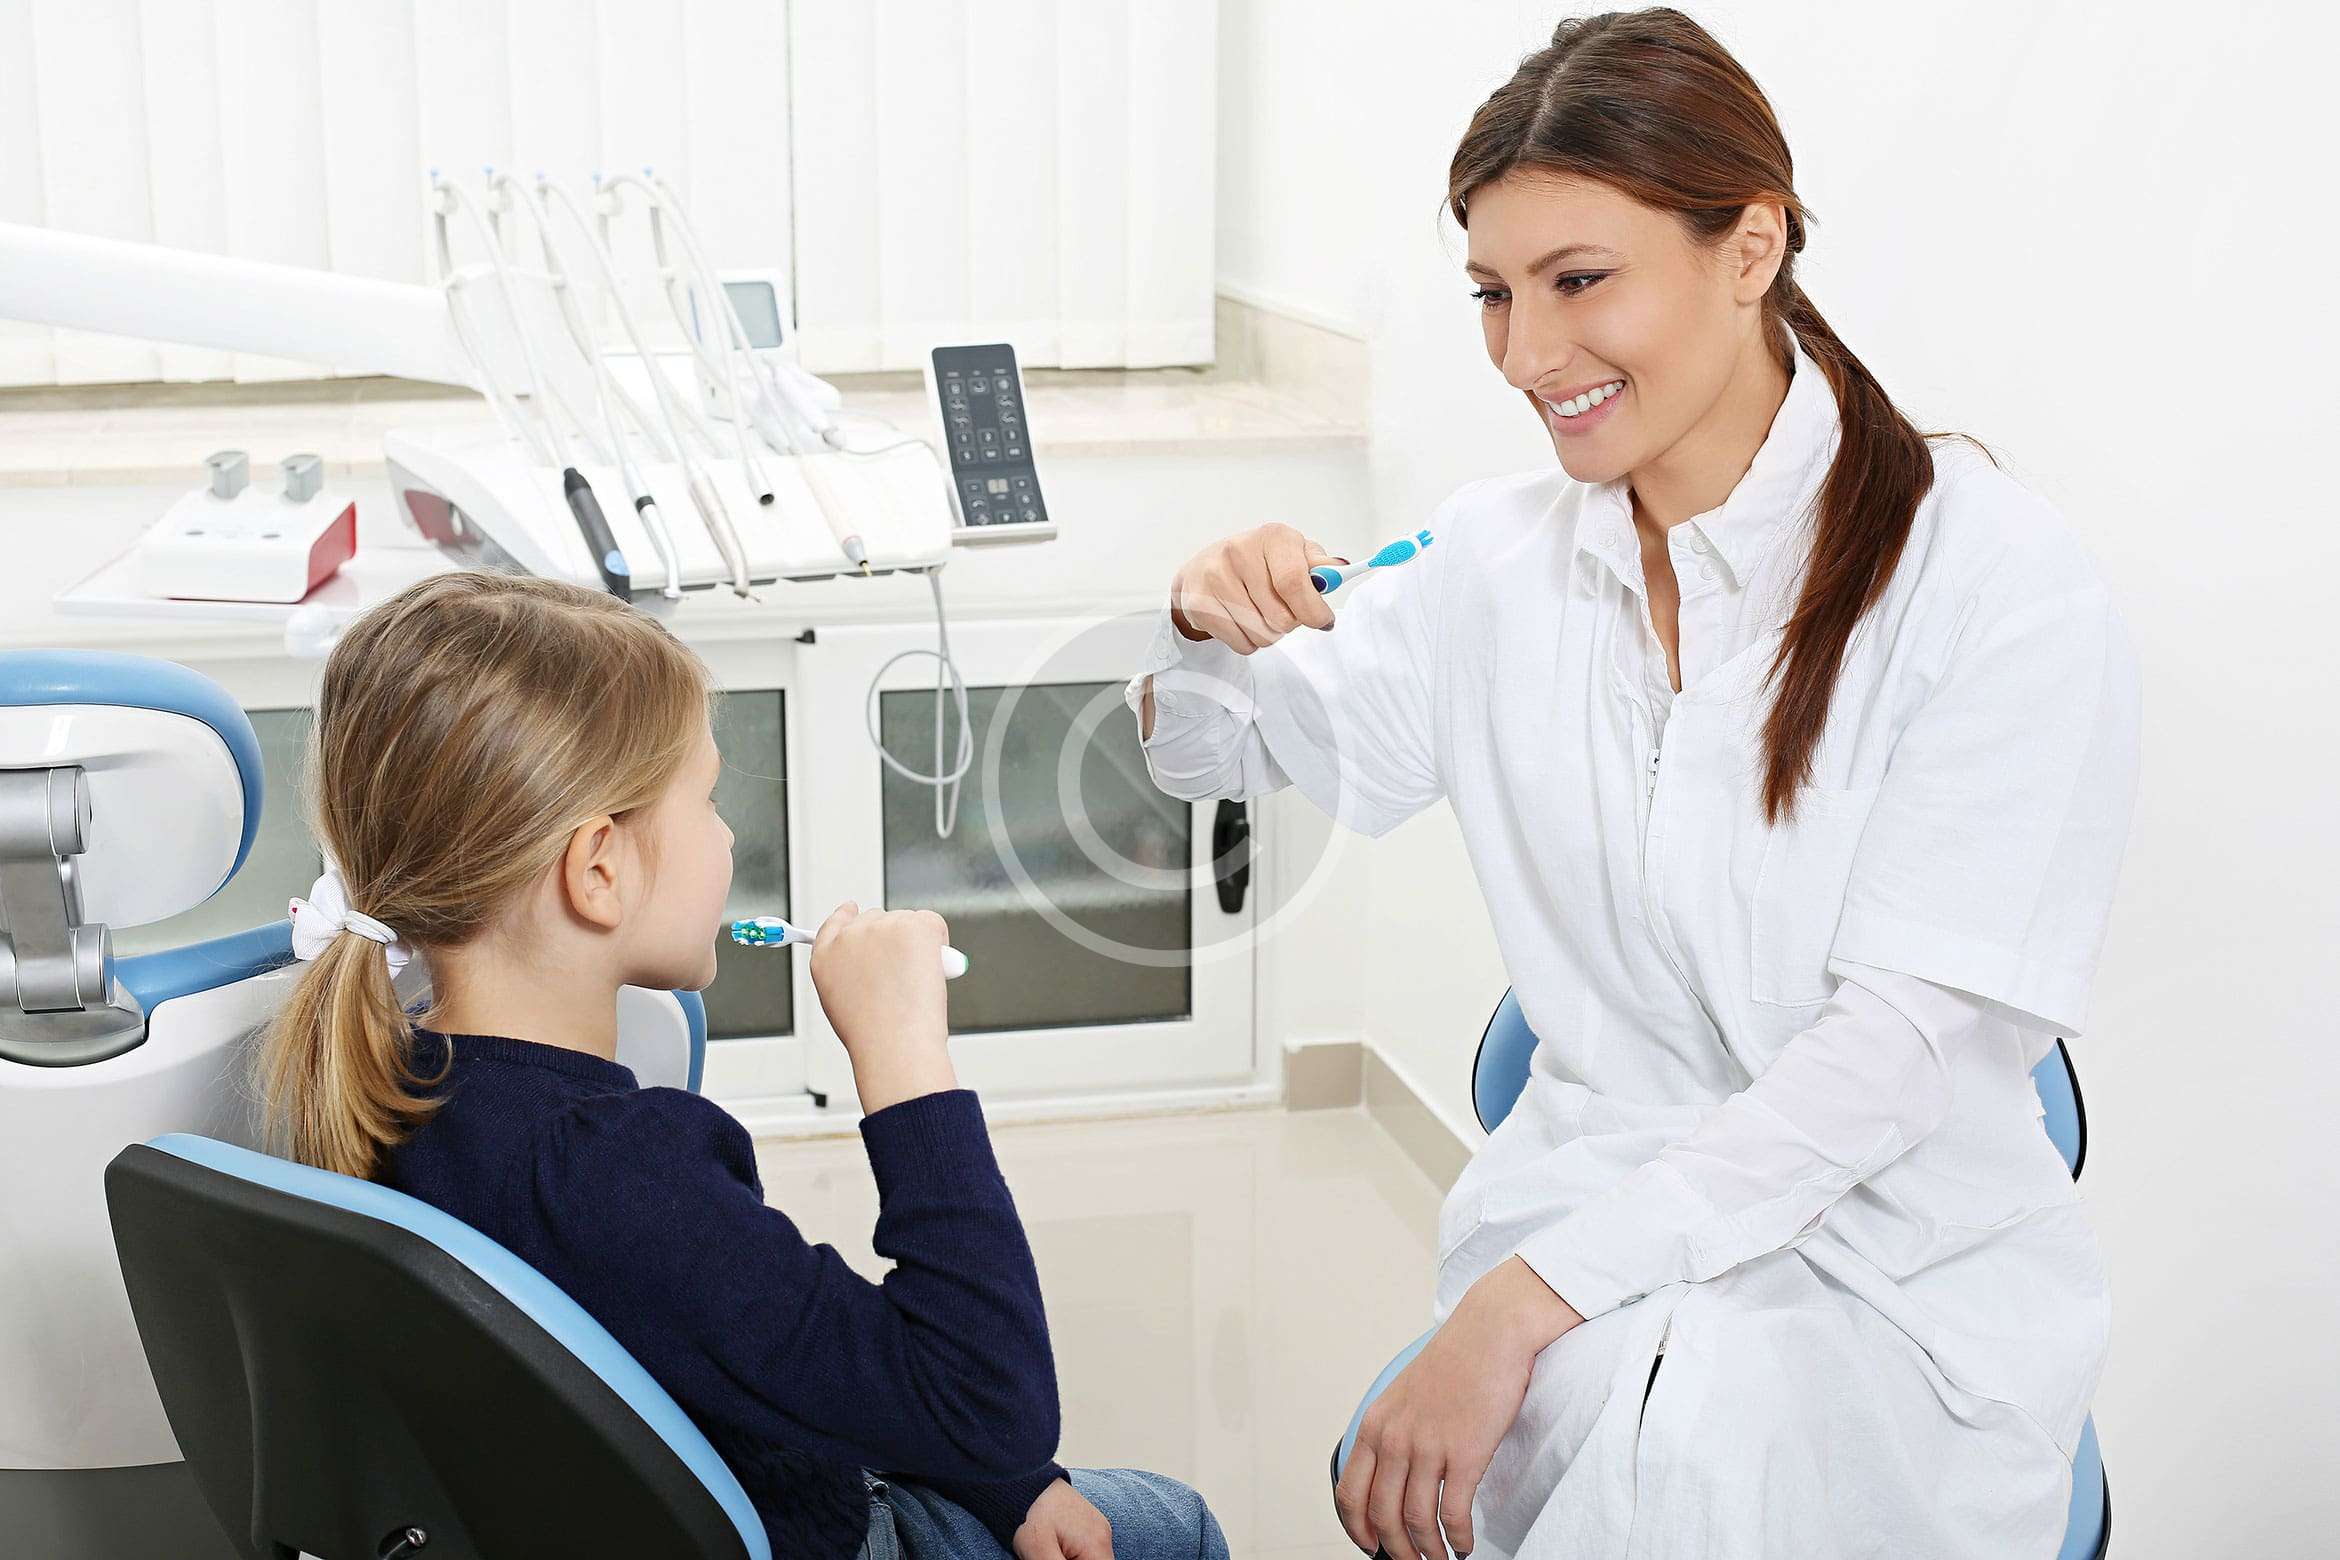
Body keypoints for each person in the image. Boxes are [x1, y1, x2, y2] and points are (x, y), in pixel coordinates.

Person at [1129, 10, 2138, 1559]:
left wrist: (1521, 1307)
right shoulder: (1494, 564)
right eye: (1494, 293)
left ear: (1752, 249)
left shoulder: (1994, 581)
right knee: (1646, 1455)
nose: (1528, 357)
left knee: (1718, 1466)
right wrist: (1203, 623)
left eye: (1580, 280)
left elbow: (1892, 1063)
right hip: (1586, 1207)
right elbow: (1217, 756)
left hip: (1892, 1257)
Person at [257, 571, 1228, 1560]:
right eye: (709, 799)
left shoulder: (395, 1085)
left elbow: (752, 1347)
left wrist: (1002, 1484)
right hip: (807, 1534)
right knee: (1177, 1523)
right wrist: (903, 1053)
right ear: (598, 870)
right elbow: (990, 1403)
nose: (726, 838)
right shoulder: (617, 1175)